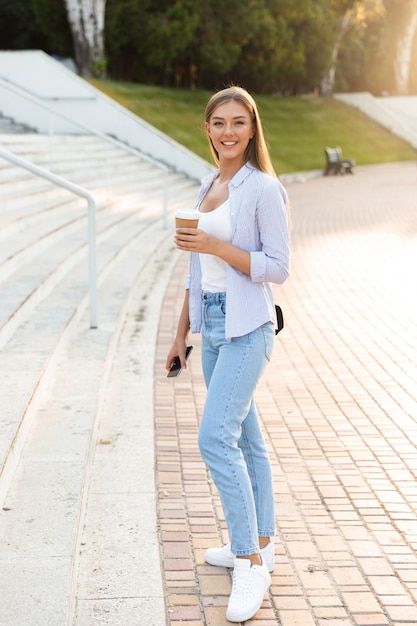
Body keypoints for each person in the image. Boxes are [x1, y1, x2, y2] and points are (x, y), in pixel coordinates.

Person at [165, 85, 290, 623]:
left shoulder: (262, 189)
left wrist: (217, 246)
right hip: (211, 328)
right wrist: (181, 334)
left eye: (239, 122)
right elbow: (197, 271)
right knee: (245, 438)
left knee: (215, 437)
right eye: (219, 122)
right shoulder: (207, 183)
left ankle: (249, 559)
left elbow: (278, 267)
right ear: (208, 129)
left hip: (247, 327)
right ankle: (259, 536)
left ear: (252, 127)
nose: (229, 132)